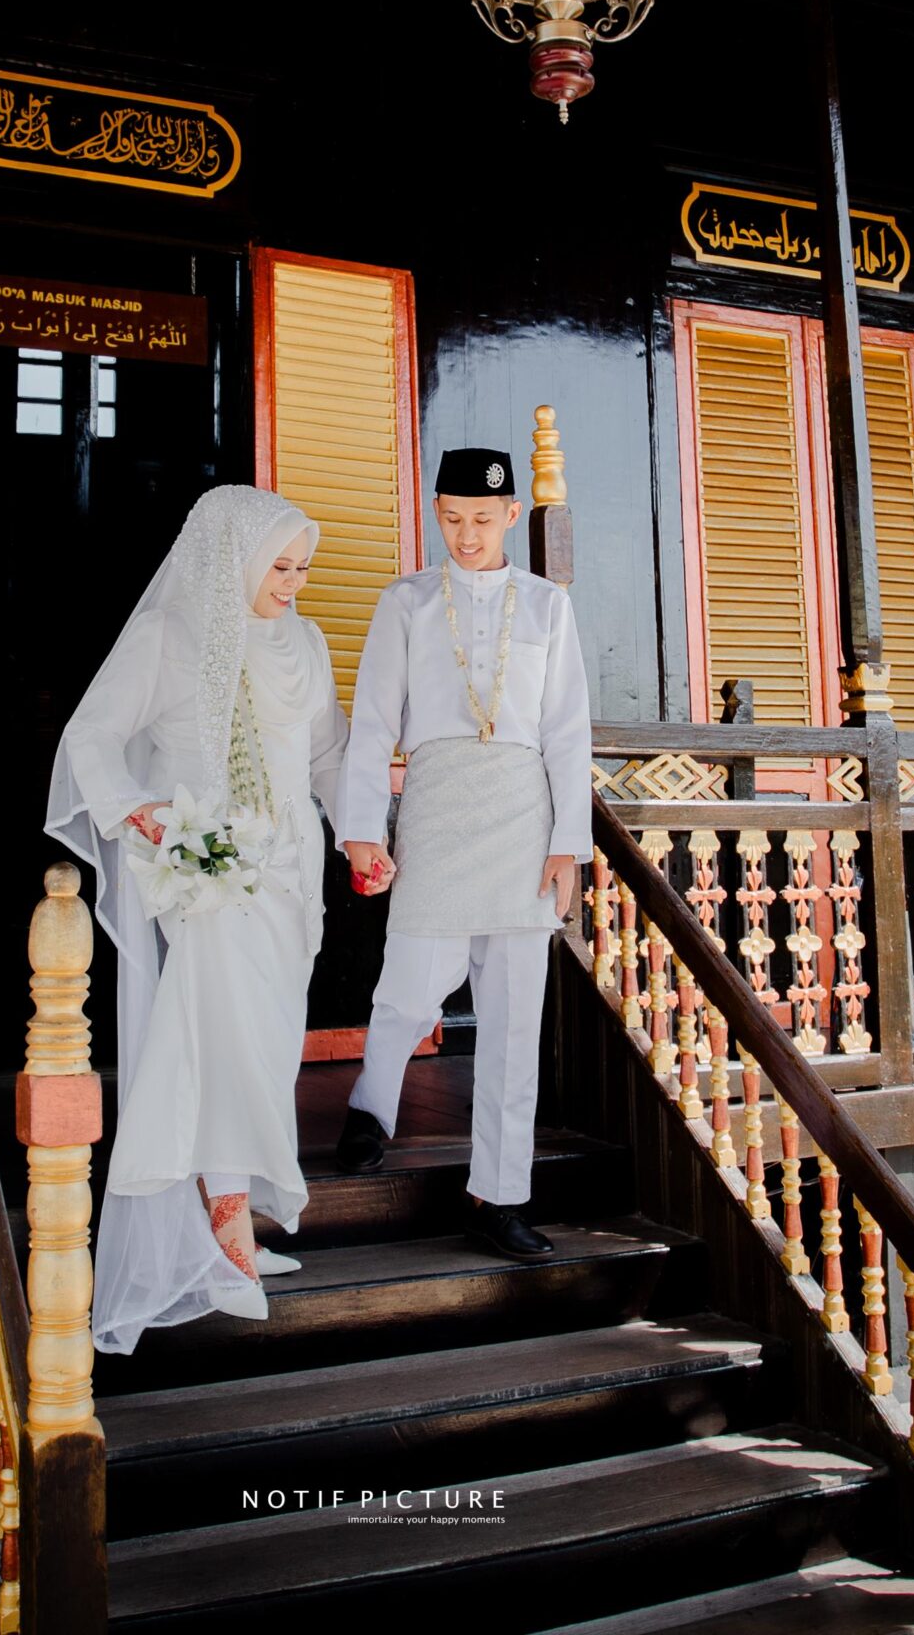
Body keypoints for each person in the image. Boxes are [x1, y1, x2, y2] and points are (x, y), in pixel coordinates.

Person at [46, 483, 348, 1353]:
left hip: (292, 876)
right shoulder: (170, 636)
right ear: (232, 558)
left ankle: (228, 1219)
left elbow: (327, 754)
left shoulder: (306, 640)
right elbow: (91, 738)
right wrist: (137, 812)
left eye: (301, 568)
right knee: (222, 1041)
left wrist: (361, 834)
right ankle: (224, 1232)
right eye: (278, 568)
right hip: (209, 873)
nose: (292, 584)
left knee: (269, 1044)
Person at [332, 446, 592, 1259]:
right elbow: (373, 722)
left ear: (510, 515)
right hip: (438, 803)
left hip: (521, 812)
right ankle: (371, 1105)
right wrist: (362, 826)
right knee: (409, 987)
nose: (466, 534)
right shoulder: (405, 600)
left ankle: (497, 1195)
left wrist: (567, 843)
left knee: (513, 1023)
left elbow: (566, 730)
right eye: (451, 519)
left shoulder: (547, 606)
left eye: (481, 519)